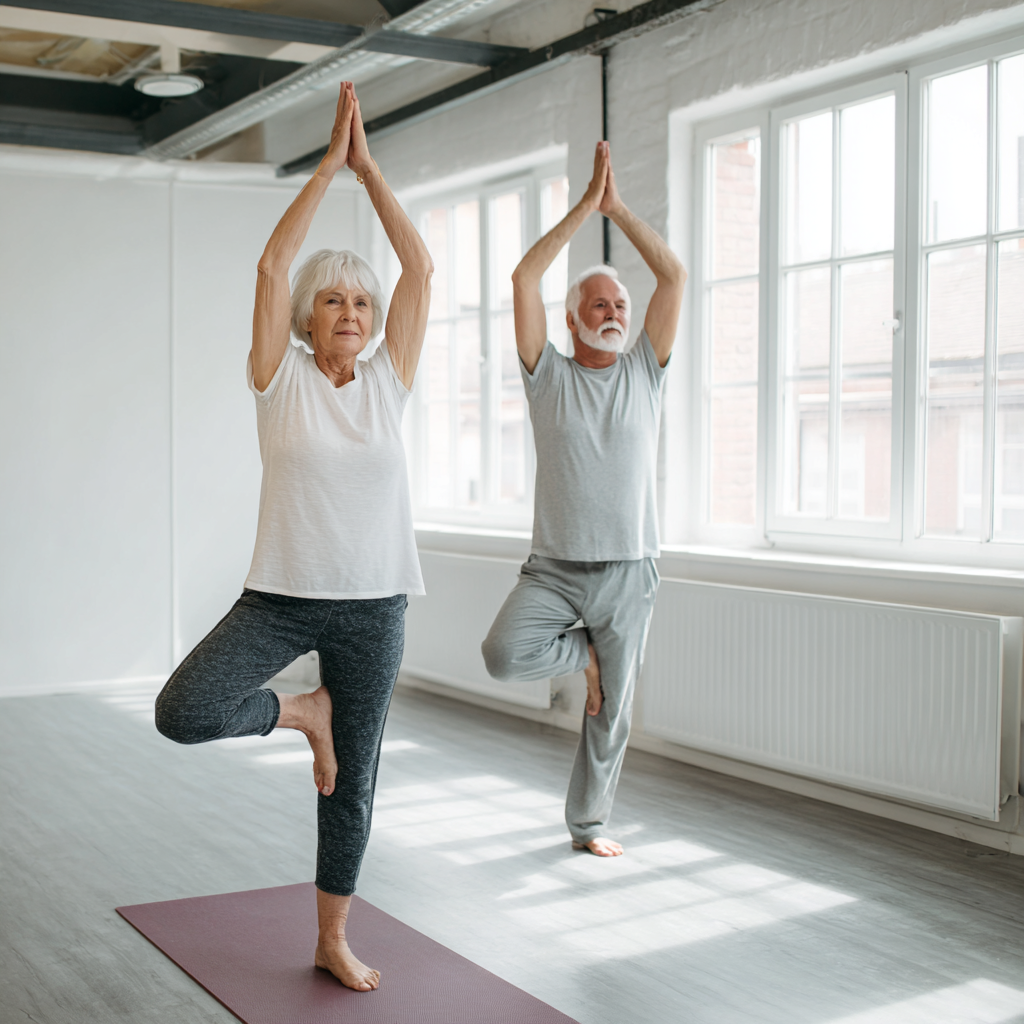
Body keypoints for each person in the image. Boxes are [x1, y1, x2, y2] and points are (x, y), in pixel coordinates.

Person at [154, 82, 432, 991]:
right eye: (333, 301)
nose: (350, 311)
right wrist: (327, 167)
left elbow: (420, 270)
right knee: (183, 712)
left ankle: (330, 937)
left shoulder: (390, 380)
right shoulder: (280, 379)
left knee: (353, 782)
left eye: (361, 301)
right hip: (281, 596)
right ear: (309, 320)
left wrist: (372, 170)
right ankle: (298, 713)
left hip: (375, 604)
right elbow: (273, 268)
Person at [481, 141, 686, 857]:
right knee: (503, 654)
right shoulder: (548, 376)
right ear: (571, 319)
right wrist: (582, 208)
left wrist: (619, 207)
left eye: (620, 304)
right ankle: (584, 657)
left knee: (613, 716)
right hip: (556, 569)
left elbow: (673, 274)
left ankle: (588, 826)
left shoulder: (646, 371)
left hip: (631, 570)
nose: (613, 310)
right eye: (597, 303)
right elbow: (524, 275)